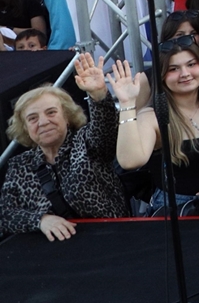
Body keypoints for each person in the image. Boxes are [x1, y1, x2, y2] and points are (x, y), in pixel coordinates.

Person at [0, 54, 127, 239]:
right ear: (25, 128)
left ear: (67, 116)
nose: (43, 122)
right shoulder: (19, 165)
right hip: (55, 251)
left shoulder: (86, 142)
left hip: (110, 240)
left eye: (51, 112)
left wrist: (99, 95)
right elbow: (5, 215)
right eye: (32, 118)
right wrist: (41, 220)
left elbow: (105, 127)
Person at [111, 40, 199, 212]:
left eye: (191, 64)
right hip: (176, 208)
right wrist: (127, 103)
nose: (185, 73)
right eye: (173, 69)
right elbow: (129, 161)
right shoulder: (151, 116)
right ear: (161, 76)